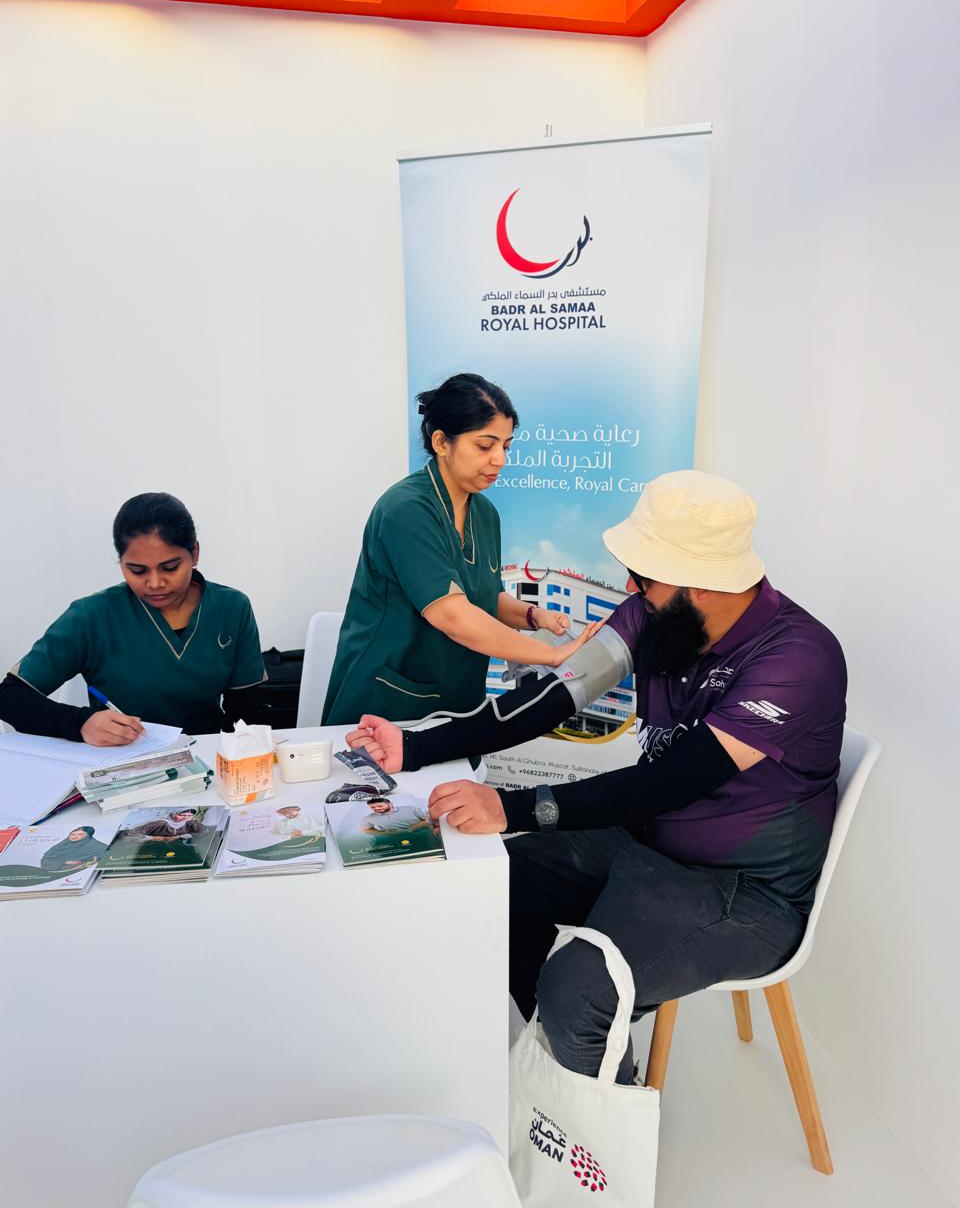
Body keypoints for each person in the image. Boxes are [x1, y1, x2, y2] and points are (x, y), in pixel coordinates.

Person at [346, 470, 847, 1082]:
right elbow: (551, 698)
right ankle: (565, 1068)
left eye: (645, 576)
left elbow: (671, 782)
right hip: (648, 840)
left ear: (703, 584)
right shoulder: (656, 614)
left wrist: (511, 807)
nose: (631, 587)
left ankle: (593, 1116)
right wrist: (416, 746)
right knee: (489, 894)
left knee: (579, 991)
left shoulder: (799, 658)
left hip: (748, 892)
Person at [322, 373, 601, 725]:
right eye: (485, 446)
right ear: (441, 442)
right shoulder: (406, 511)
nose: (500, 459)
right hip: (387, 702)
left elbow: (485, 596)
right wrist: (551, 655)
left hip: (457, 700)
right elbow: (453, 615)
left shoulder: (485, 514)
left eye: (506, 447)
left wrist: (534, 617)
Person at [0, 493, 266, 745]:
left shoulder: (232, 607)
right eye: (137, 570)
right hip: (121, 760)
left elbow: (246, 709)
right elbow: (9, 697)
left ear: (194, 553)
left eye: (170, 567)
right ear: (121, 561)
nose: (155, 583)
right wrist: (80, 722)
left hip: (206, 755)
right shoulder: (91, 617)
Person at [39, 826, 108, 872]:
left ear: (88, 836)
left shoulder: (97, 846)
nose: (75, 836)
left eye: (80, 834)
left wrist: (83, 863)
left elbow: (104, 859)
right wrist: (64, 862)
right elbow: (45, 861)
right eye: (73, 834)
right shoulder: (61, 846)